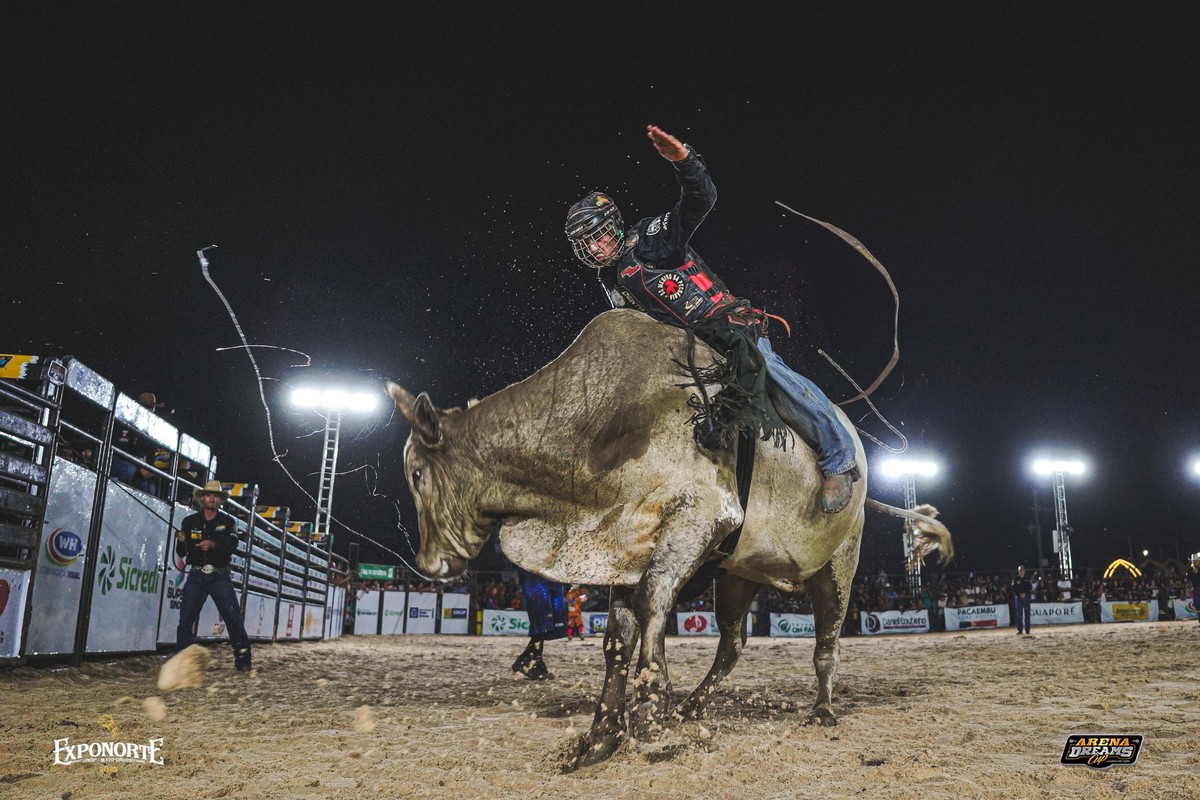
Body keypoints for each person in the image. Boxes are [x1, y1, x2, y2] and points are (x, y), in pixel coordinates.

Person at [564, 124, 859, 512]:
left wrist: (684, 162)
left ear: (614, 225)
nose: (596, 246)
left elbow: (700, 200)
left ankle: (838, 458)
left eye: (600, 235)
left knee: (767, 369)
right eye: (588, 243)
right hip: (685, 355)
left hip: (728, 329)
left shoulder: (650, 239)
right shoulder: (610, 282)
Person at [175, 480, 253, 671]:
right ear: (202, 498)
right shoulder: (189, 522)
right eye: (208, 495)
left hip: (219, 574)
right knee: (186, 619)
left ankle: (244, 660)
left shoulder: (228, 522)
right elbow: (181, 552)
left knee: (232, 617)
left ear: (219, 500)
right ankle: (182, 663)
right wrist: (182, 541)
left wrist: (213, 545)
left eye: (215, 496)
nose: (211, 499)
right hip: (196, 574)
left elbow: (232, 546)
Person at [511, 566, 567, 680]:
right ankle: (535, 662)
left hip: (555, 571)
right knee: (543, 618)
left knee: (556, 620)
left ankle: (525, 659)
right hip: (534, 569)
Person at [1011, 565, 1033, 636]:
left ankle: (1027, 630)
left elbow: (1030, 588)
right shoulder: (1015, 579)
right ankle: (1020, 630)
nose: (1021, 572)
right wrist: (1019, 594)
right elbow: (1013, 589)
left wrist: (1025, 594)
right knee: (1019, 615)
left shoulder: (1027, 579)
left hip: (1026, 598)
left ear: (1024, 571)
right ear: (1018, 571)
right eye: (1020, 570)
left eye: (1022, 570)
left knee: (1027, 614)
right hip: (1018, 598)